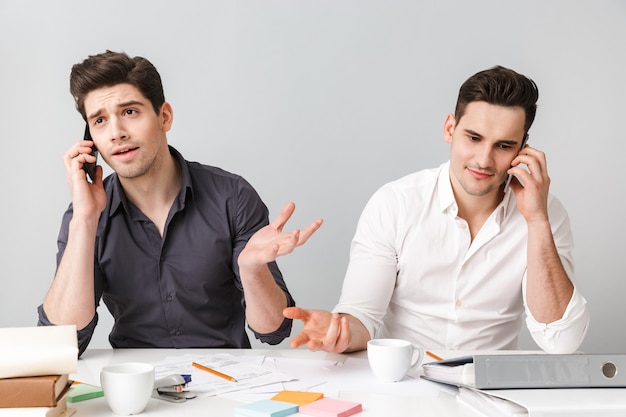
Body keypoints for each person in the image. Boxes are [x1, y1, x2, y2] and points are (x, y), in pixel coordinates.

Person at [284, 66, 589, 354]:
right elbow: (363, 316)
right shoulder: (395, 203)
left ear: (522, 149)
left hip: (489, 394)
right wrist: (341, 332)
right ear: (449, 129)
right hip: (404, 385)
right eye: (474, 138)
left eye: (503, 145)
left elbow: (561, 341)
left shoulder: (545, 214)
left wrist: (536, 222)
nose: (484, 159)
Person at [37, 50, 323, 356]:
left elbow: (273, 331)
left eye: (130, 112)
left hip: (226, 385)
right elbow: (61, 343)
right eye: (100, 120)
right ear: (90, 138)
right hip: (137, 388)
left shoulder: (233, 197)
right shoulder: (86, 215)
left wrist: (251, 270)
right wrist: (84, 218)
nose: (117, 133)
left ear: (164, 116)